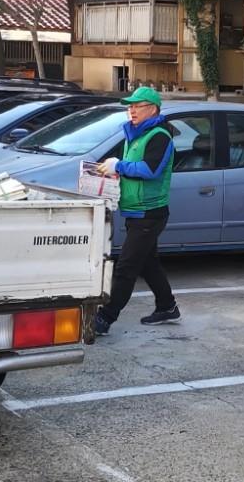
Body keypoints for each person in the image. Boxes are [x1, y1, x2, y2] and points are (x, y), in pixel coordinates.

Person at [91, 87, 178, 335]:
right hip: (136, 211)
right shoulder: (137, 135)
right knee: (148, 263)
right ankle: (167, 306)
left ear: (153, 109)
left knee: (126, 267)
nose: (131, 110)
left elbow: (151, 170)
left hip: (150, 213)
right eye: (130, 106)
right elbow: (134, 169)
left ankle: (104, 318)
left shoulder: (159, 136)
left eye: (137, 106)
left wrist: (119, 164)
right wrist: (114, 172)